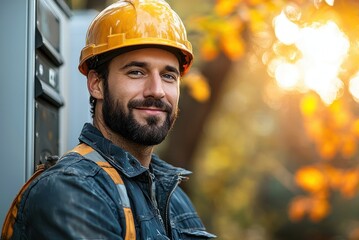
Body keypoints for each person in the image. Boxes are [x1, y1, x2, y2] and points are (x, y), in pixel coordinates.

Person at [9, 0, 216, 239]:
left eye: (169, 75)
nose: (157, 90)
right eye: (136, 72)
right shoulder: (72, 192)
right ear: (96, 84)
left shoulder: (174, 196)